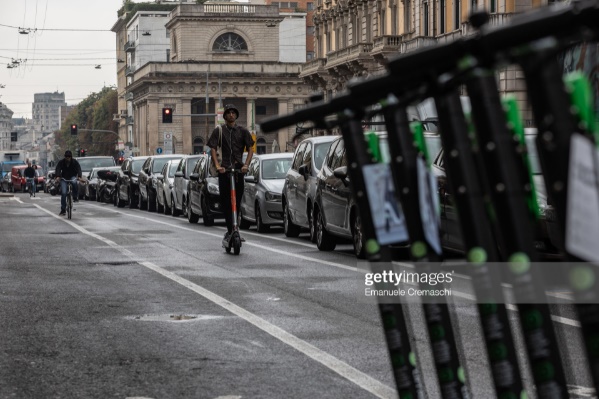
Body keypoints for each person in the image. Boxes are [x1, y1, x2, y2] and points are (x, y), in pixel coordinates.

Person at [207, 104, 254, 241]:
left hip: (239, 170)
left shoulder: (243, 131)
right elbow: (213, 149)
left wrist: (246, 165)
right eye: (229, 113)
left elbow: (250, 148)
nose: (231, 114)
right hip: (224, 171)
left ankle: (235, 228)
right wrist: (217, 165)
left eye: (233, 112)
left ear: (236, 115)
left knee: (237, 202)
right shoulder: (219, 131)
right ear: (225, 116)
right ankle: (229, 230)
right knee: (226, 203)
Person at [55, 150, 83, 216]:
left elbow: (78, 168)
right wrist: (58, 176)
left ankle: (75, 196)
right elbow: (58, 169)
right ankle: (63, 210)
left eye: (69, 157)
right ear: (65, 157)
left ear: (71, 157)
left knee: (74, 182)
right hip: (64, 178)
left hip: (72, 176)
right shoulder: (61, 162)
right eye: (66, 157)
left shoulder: (74, 162)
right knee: (64, 193)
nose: (67, 158)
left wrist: (79, 176)